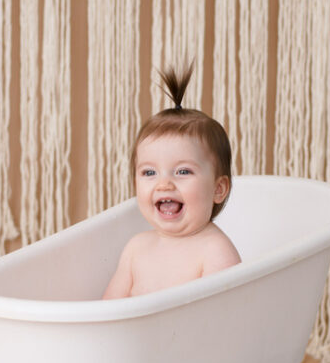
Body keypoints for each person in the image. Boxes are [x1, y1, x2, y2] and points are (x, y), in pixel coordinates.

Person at [103, 66, 241, 299]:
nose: (164, 184)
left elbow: (219, 322)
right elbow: (105, 313)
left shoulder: (215, 251)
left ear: (218, 189)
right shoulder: (135, 249)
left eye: (183, 171)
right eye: (149, 173)